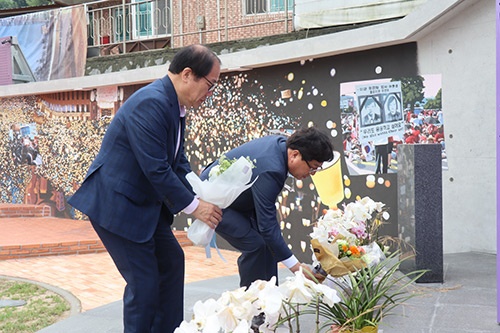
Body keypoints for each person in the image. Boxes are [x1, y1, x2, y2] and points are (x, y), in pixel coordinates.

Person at [68, 44, 223, 333]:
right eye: (210, 84)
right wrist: (195, 207)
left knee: (172, 263)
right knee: (145, 285)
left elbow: (177, 161)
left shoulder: (176, 105)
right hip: (117, 206)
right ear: (188, 74)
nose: (210, 93)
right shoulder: (151, 102)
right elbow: (156, 168)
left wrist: (200, 191)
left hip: (143, 206)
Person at [200, 127, 334, 288]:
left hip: (238, 199)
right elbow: (267, 226)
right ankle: (253, 304)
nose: (312, 173)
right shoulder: (272, 168)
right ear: (295, 155)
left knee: (270, 244)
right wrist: (296, 268)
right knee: (255, 245)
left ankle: (269, 298)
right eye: (312, 167)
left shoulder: (281, 146)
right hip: (212, 201)